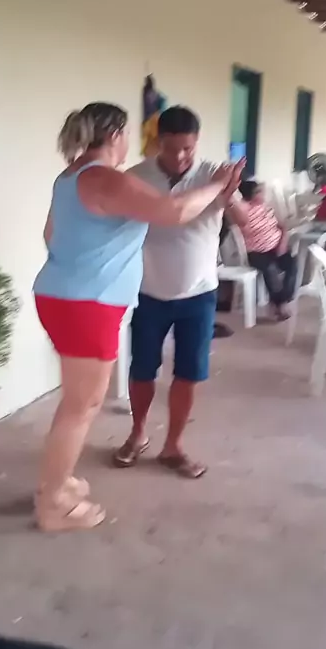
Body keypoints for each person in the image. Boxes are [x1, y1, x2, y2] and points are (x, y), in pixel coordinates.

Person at [33, 102, 241, 531]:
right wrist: (217, 184)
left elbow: (50, 235)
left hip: (59, 295)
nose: (129, 142)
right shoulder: (106, 178)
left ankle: (58, 482)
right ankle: (52, 504)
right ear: (115, 134)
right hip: (88, 305)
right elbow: (174, 212)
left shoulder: (70, 176)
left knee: (76, 401)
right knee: (82, 406)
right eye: (127, 133)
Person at [113, 106, 245, 478]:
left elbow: (244, 221)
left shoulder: (214, 175)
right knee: (142, 369)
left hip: (199, 293)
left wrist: (230, 193)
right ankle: (138, 434)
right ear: (158, 142)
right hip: (148, 291)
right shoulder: (137, 176)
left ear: (197, 142)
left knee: (189, 372)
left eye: (188, 148)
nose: (180, 156)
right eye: (171, 148)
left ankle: (173, 446)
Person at [230, 179, 297, 321]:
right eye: (259, 192)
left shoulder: (265, 207)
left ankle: (282, 300)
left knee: (292, 264)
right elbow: (235, 219)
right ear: (250, 195)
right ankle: (281, 304)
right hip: (256, 252)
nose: (263, 194)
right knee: (270, 268)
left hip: (277, 247)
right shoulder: (242, 210)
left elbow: (282, 226)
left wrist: (283, 243)